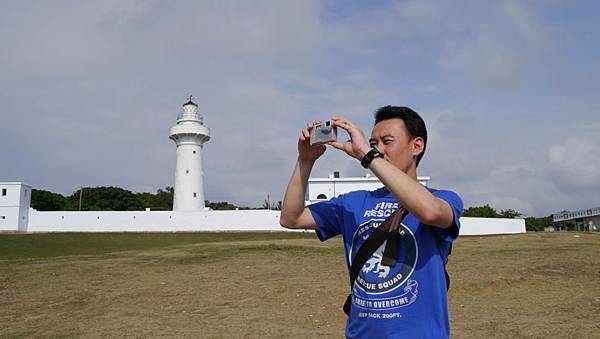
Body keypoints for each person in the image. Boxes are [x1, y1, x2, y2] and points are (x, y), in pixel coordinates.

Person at [280, 106, 463, 338]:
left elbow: (430, 212)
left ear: (417, 146)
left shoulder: (443, 198)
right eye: (373, 143)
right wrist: (305, 160)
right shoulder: (355, 202)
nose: (378, 149)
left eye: (387, 141)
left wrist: (368, 156)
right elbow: (291, 218)